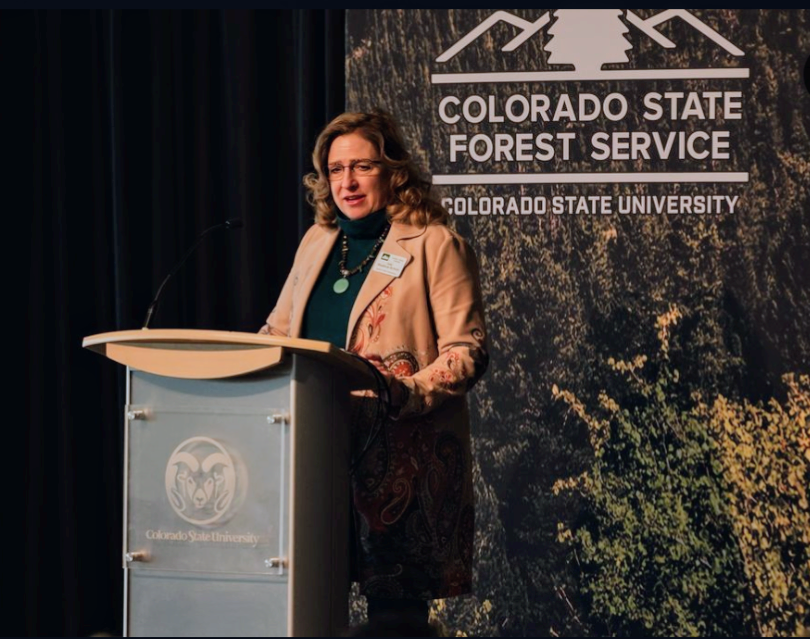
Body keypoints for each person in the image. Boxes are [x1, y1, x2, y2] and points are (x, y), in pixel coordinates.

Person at [259, 109, 488, 623]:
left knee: (395, 619)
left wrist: (403, 391)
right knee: (306, 608)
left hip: (400, 466)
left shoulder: (435, 245)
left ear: (393, 172)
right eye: (336, 170)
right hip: (311, 455)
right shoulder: (316, 243)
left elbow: (467, 351)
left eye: (362, 166)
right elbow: (276, 334)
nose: (347, 182)